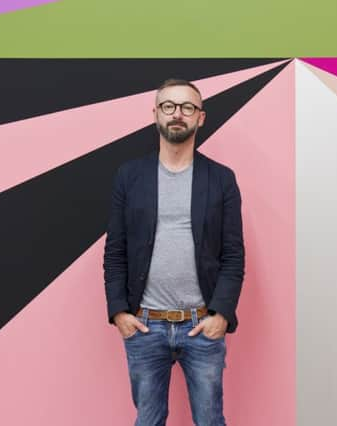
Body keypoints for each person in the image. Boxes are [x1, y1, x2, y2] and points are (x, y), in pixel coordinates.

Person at [103, 78, 245, 426]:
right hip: (145, 326)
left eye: (187, 107)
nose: (177, 114)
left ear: (201, 117)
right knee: (148, 421)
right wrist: (120, 313)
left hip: (202, 326)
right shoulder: (130, 176)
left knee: (211, 421)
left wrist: (220, 316)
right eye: (168, 106)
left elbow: (233, 255)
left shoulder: (221, 179)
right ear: (156, 114)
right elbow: (115, 250)